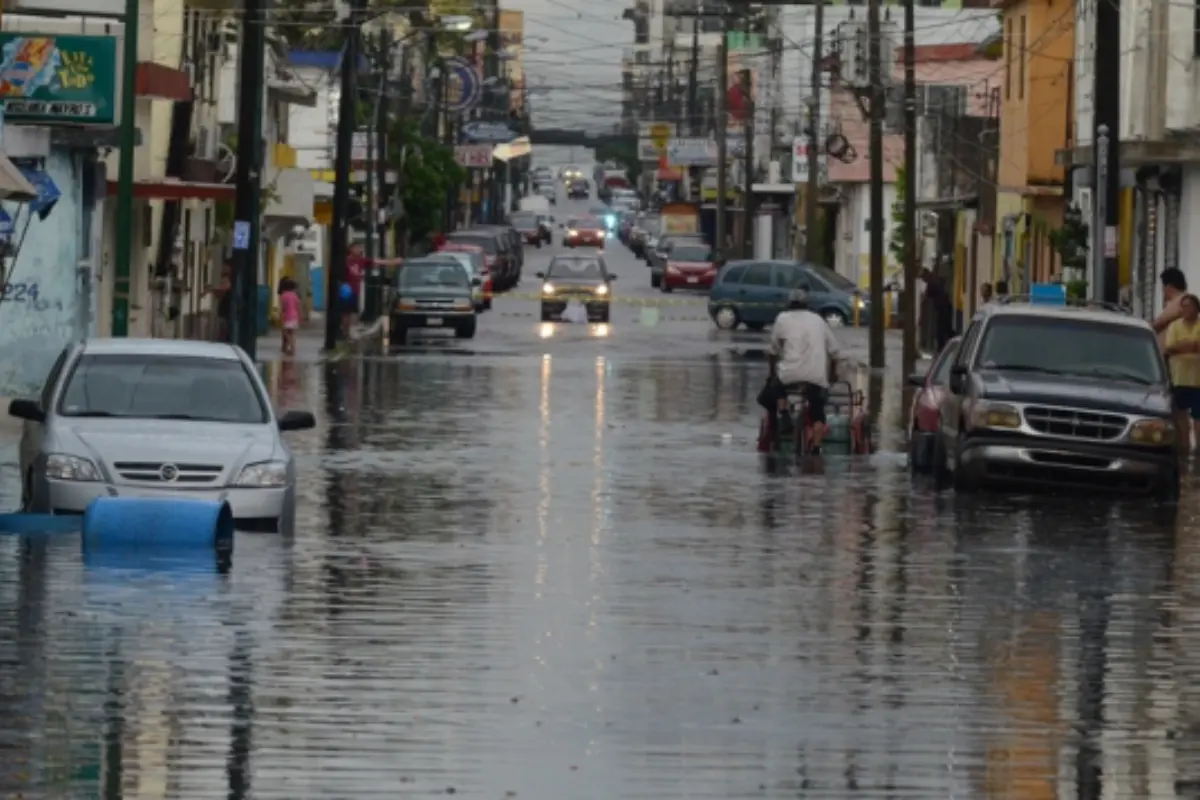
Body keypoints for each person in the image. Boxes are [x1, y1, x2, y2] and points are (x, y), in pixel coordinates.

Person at [767, 289, 841, 455]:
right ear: (807, 304)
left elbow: (773, 351)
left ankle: (784, 413)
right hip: (816, 376)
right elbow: (835, 351)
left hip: (789, 374)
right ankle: (816, 447)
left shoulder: (782, 318)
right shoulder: (819, 321)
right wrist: (832, 375)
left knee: (776, 386)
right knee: (818, 410)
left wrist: (772, 374)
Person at [343, 241, 403, 340]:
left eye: (360, 248)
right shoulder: (346, 261)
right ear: (351, 249)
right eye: (357, 248)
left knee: (355, 311)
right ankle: (346, 332)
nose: (360, 250)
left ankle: (351, 331)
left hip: (357, 289)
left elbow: (377, 262)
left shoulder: (361, 260)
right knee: (346, 312)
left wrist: (393, 262)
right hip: (346, 290)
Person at [1165, 293, 1200, 453]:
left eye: (1188, 306)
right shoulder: (1175, 326)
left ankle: (1198, 450)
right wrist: (1191, 345)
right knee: (1181, 417)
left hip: (1198, 380)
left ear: (1196, 308)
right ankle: (1184, 449)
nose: (1185, 309)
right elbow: (1170, 348)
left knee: (1198, 418)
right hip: (1179, 378)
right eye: (1183, 306)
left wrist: (1184, 346)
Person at [1154, 267, 1188, 347]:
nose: (1163, 291)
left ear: (1169, 287)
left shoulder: (1180, 301)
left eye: (1163, 286)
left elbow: (1158, 323)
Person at [206, 260, 233, 342]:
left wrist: (210, 290)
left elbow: (222, 291)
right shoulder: (226, 279)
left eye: (225, 267)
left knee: (224, 329)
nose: (222, 269)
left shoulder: (229, 279)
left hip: (226, 310)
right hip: (224, 310)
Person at [279, 277, 300, 356]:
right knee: (293, 333)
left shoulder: (283, 295)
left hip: (287, 317)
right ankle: (293, 348)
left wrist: (281, 315)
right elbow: (298, 306)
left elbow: (283, 307)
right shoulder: (295, 296)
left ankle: (290, 347)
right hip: (294, 316)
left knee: (286, 332)